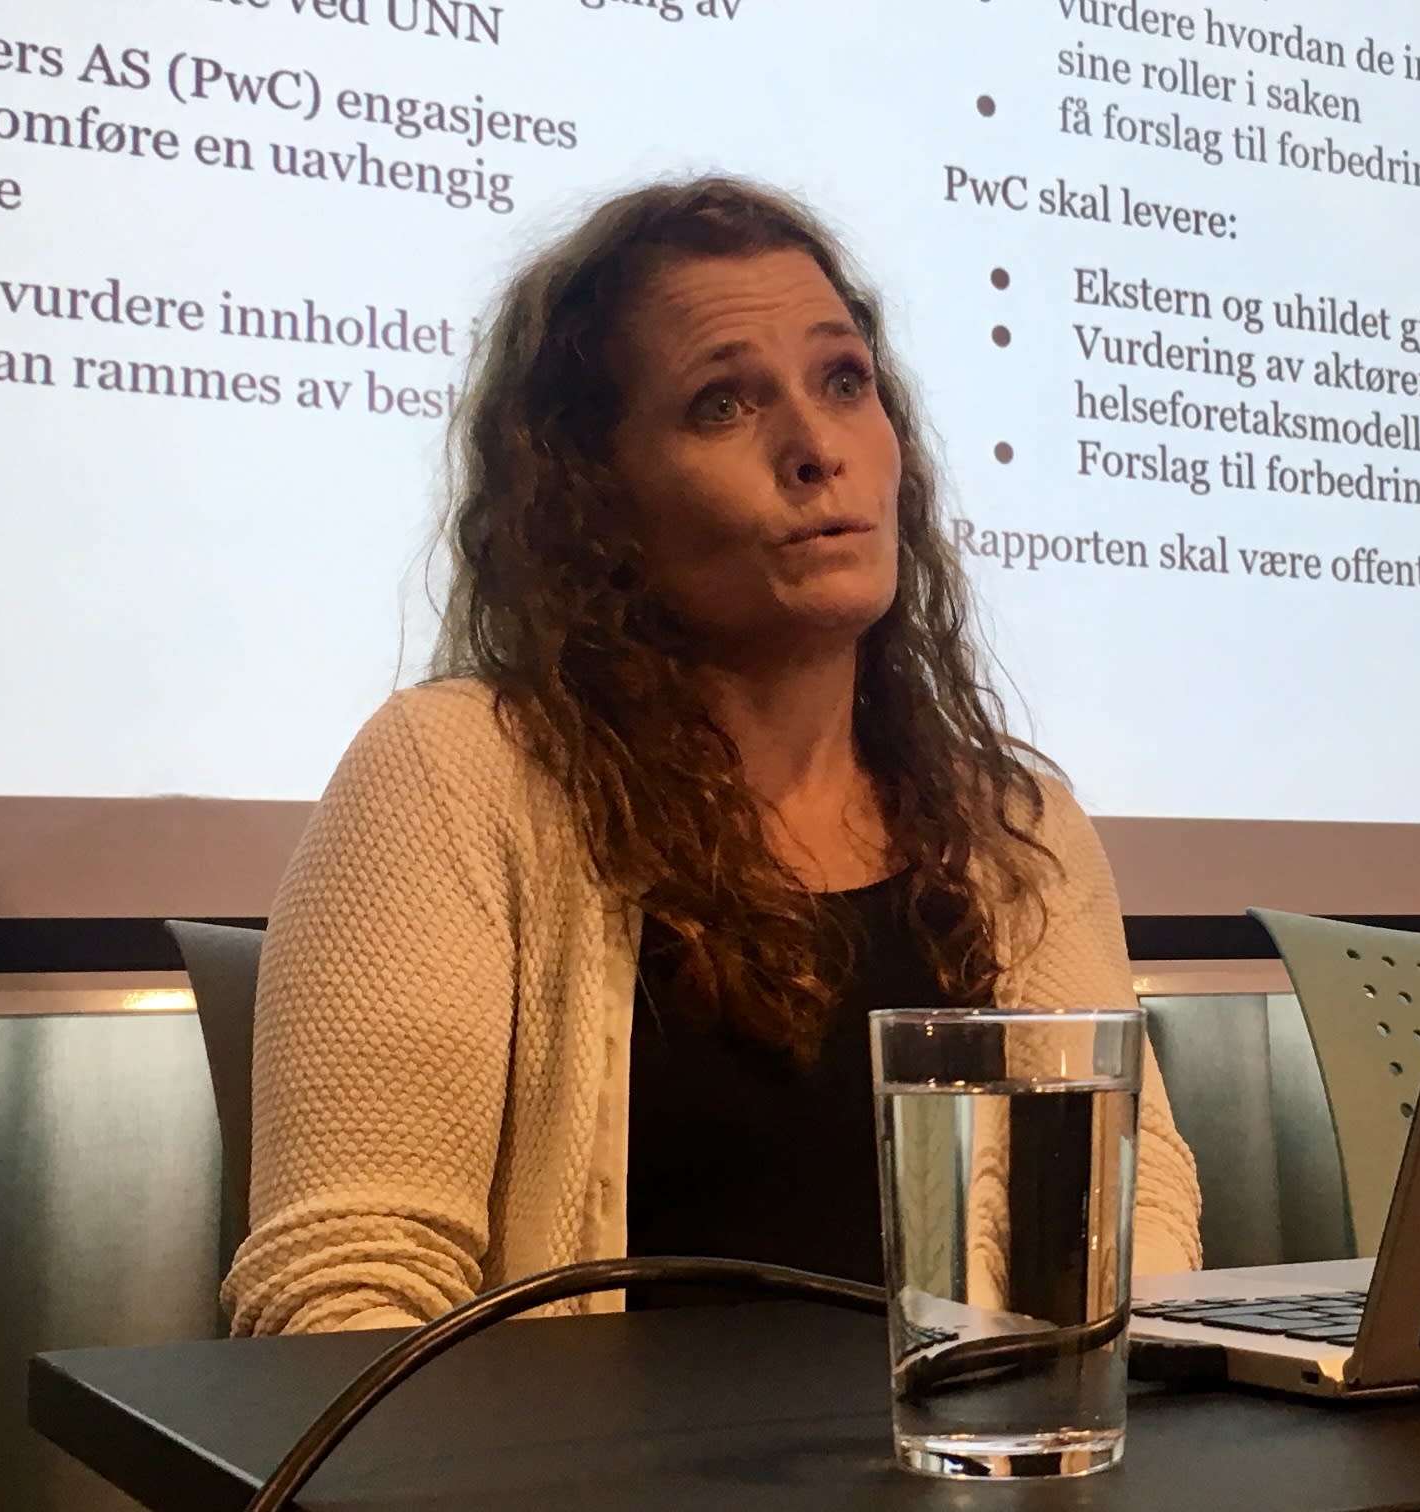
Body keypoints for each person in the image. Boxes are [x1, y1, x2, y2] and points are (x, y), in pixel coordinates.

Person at [222, 177, 1203, 1336]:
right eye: (721, 404)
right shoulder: (453, 773)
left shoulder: (1013, 829)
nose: (817, 448)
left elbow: (1133, 1240)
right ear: (598, 497)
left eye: (844, 382)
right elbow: (345, 1297)